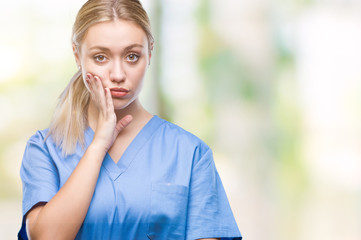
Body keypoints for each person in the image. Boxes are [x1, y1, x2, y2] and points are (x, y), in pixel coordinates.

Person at [18, 0, 242, 239]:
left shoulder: (190, 154)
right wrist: (98, 145)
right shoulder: (45, 149)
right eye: (101, 57)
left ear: (150, 54)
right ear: (77, 56)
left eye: (132, 56)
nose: (117, 75)